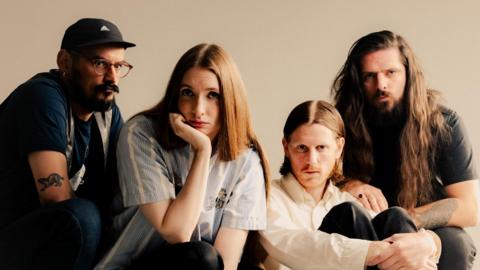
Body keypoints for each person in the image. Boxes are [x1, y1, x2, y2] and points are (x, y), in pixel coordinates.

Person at [95, 43, 270, 270]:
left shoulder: (246, 162)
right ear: (175, 95)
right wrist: (202, 151)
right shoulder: (141, 134)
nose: (198, 109)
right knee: (199, 257)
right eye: (188, 93)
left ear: (230, 100)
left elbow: (226, 261)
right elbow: (176, 232)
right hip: (130, 265)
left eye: (213, 96)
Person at [331, 30, 479, 269]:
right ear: (358, 81)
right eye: (370, 76)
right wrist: (350, 184)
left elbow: (469, 208)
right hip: (363, 227)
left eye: (391, 72)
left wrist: (411, 221)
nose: (381, 84)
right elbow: (312, 175)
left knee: (457, 244)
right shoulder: (340, 124)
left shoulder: (444, 123)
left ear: (408, 73)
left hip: (427, 229)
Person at [0, 18, 135, 269]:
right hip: (10, 240)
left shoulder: (106, 113)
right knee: (83, 217)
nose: (112, 77)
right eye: (100, 64)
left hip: (50, 246)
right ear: (65, 62)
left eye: (119, 65)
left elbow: (122, 190)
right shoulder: (42, 97)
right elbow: (56, 198)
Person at [259, 100, 440, 270]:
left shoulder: (346, 198)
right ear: (286, 147)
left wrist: (427, 243)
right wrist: (379, 251)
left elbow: (413, 241)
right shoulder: (268, 196)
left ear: (339, 148)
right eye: (302, 148)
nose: (311, 160)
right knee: (347, 213)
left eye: (321, 148)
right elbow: (291, 244)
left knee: (395, 216)